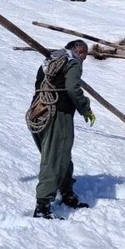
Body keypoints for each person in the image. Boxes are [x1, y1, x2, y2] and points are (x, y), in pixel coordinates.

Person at [30, 40, 96, 219]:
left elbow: (39, 84)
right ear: (79, 51)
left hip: (38, 112)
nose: (85, 58)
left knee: (61, 154)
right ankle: (42, 205)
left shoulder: (50, 60)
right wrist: (85, 108)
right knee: (54, 158)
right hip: (58, 114)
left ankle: (66, 191)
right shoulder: (73, 62)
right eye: (85, 54)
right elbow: (72, 88)